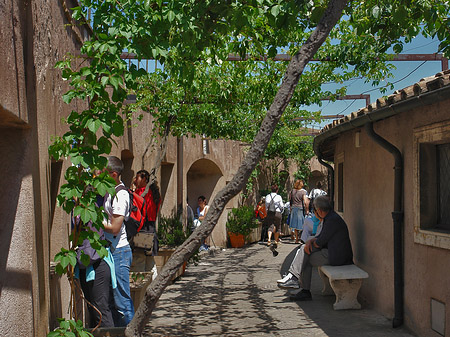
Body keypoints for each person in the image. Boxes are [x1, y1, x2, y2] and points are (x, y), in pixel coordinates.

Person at [277, 196, 353, 301]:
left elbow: (320, 243)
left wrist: (311, 243)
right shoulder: (331, 217)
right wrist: (310, 241)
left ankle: (297, 281)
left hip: (337, 257)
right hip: (333, 252)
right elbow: (321, 237)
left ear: (319, 211)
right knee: (304, 252)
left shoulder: (331, 220)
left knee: (305, 258)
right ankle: (297, 282)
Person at [102, 156, 134, 326]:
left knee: (123, 301)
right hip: (112, 250)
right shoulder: (109, 190)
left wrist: (95, 220)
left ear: (114, 174)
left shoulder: (121, 195)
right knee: (115, 300)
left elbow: (115, 227)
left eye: (103, 172)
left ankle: (132, 331)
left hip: (119, 251)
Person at [131, 169, 161, 256]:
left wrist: (133, 188)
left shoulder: (141, 192)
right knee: (150, 259)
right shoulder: (154, 193)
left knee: (140, 258)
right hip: (151, 227)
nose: (135, 180)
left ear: (144, 179)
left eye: (137, 178)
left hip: (143, 226)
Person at [289, 179, 309, 243]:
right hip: (300, 208)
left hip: (293, 208)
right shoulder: (303, 192)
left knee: (295, 224)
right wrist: (307, 209)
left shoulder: (292, 191)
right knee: (302, 223)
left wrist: (290, 208)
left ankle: (297, 239)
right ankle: (301, 237)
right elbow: (305, 201)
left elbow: (290, 200)